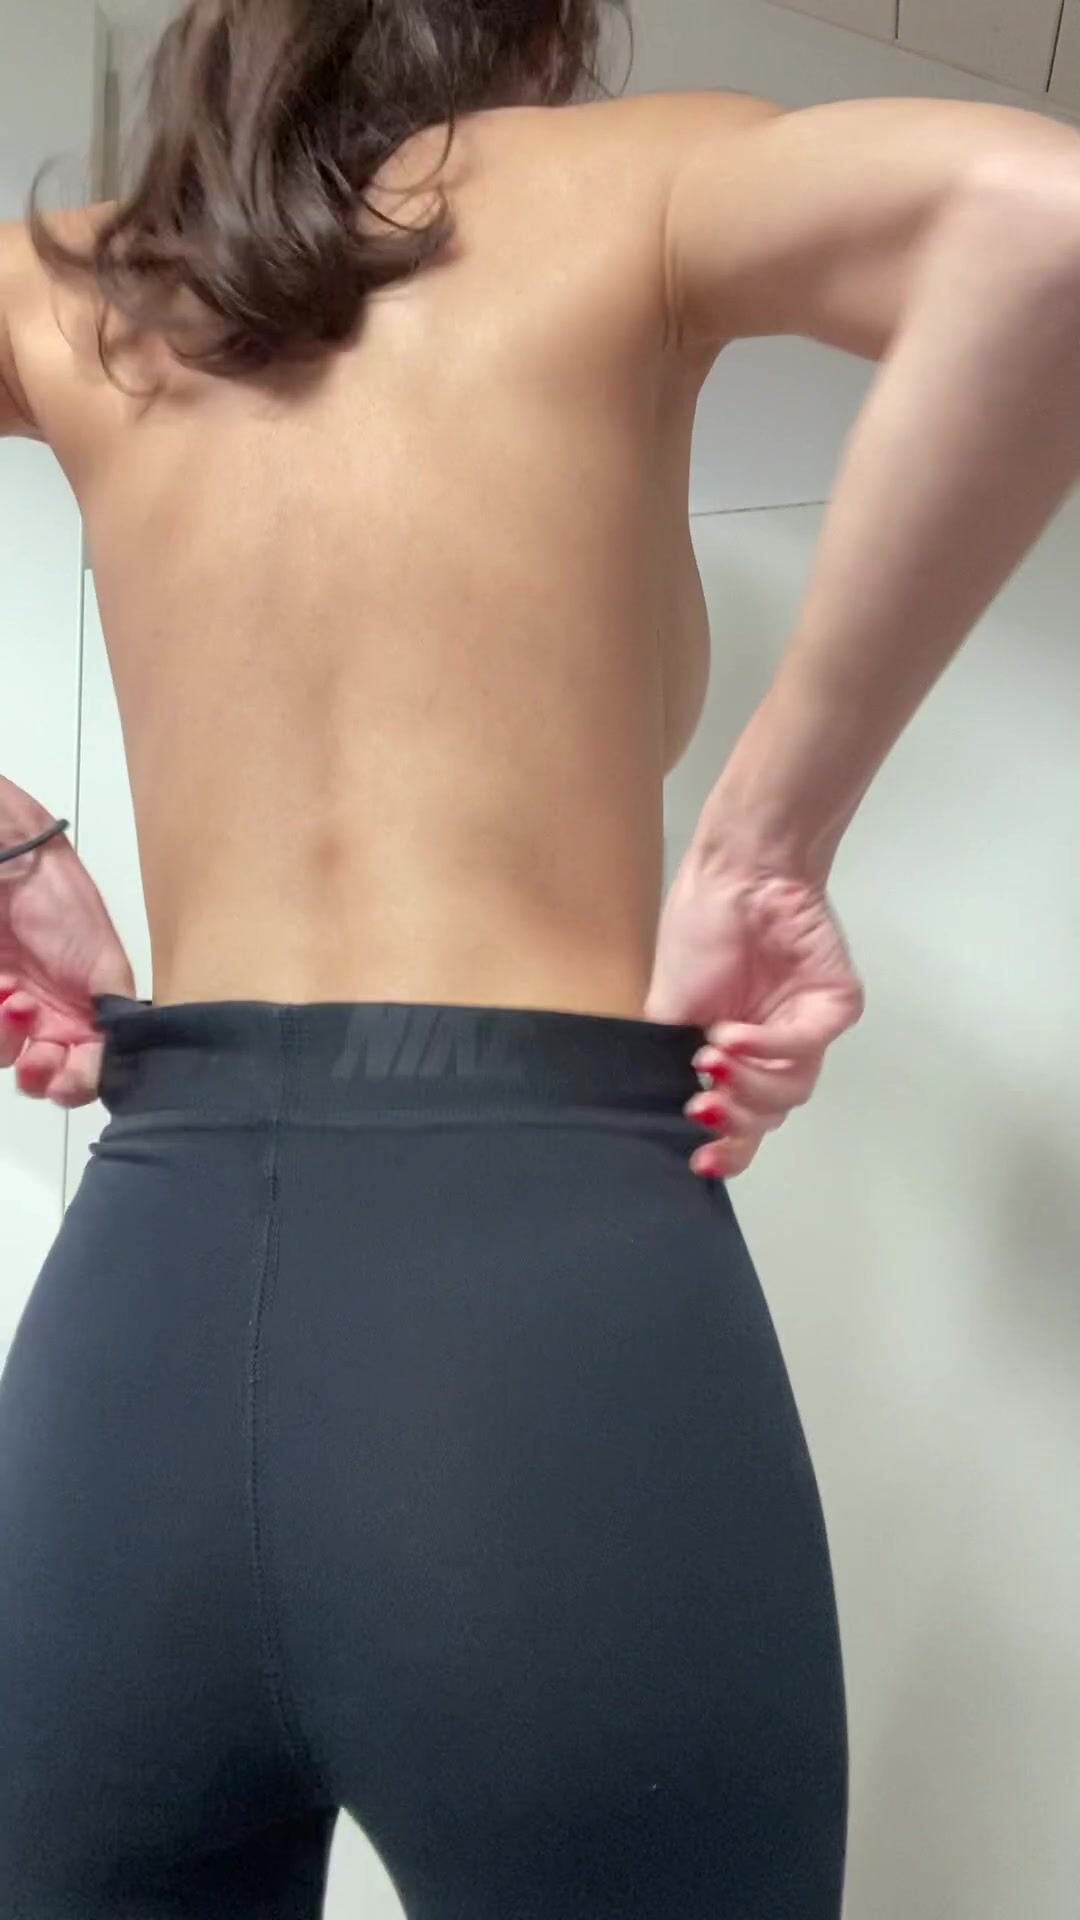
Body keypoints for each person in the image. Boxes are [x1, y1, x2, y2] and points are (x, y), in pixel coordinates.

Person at [2, 3, 1080, 1914]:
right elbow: (1042, 220)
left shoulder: (86, 291)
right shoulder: (630, 191)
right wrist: (771, 836)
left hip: (133, 1338)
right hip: (541, 1323)